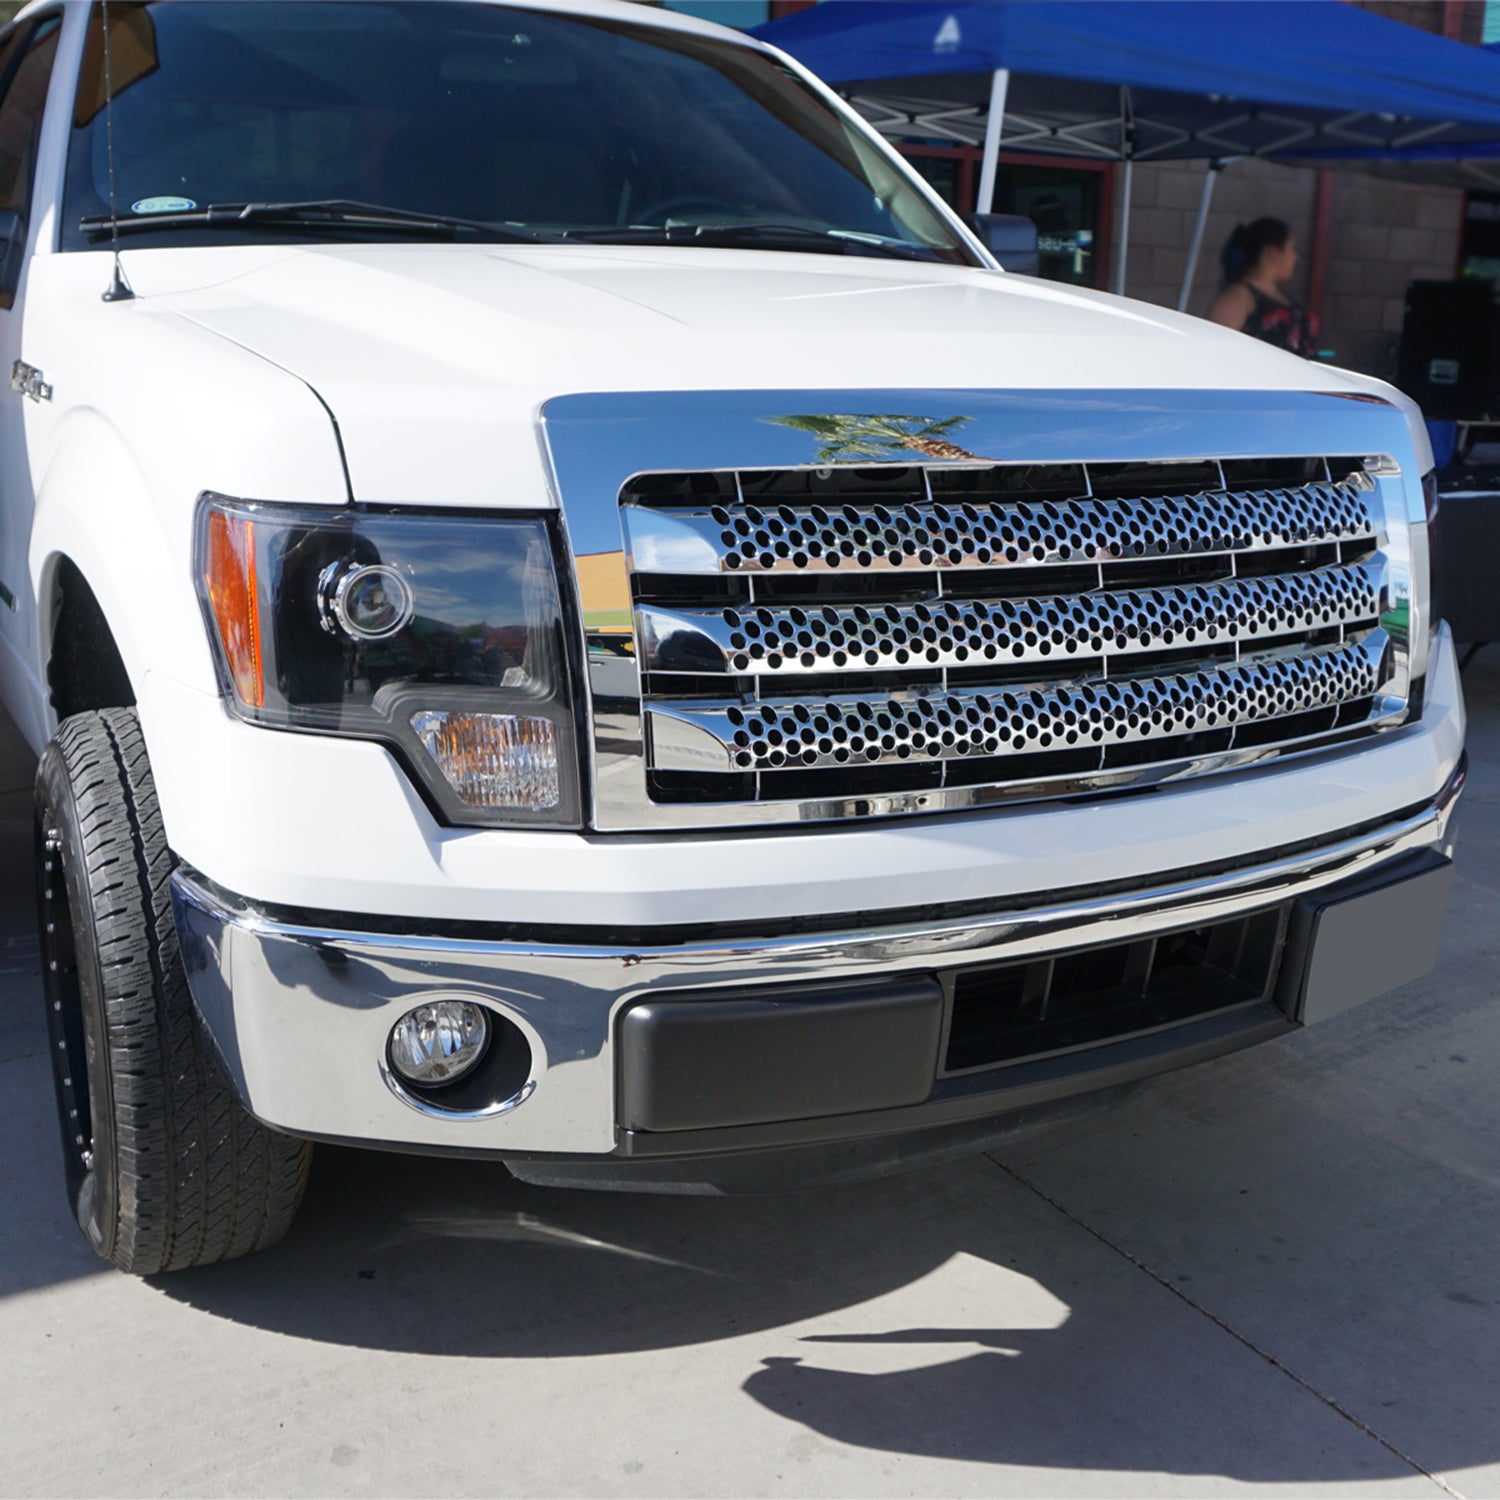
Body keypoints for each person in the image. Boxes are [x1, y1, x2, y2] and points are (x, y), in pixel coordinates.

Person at [1207, 217, 1319, 357]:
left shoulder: (1283, 298)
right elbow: (1214, 350)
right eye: (1291, 248)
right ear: (1272, 253)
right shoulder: (1237, 298)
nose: (1295, 257)